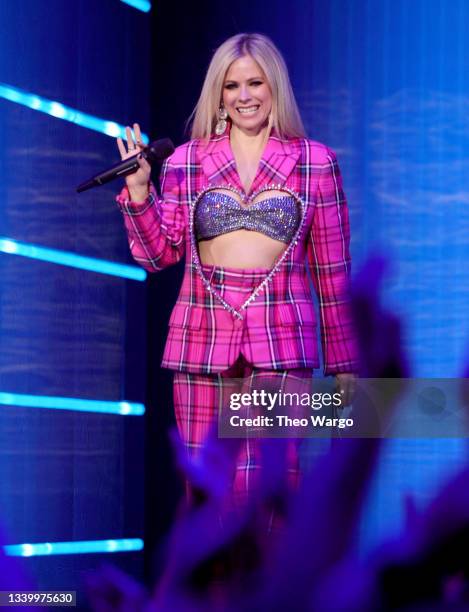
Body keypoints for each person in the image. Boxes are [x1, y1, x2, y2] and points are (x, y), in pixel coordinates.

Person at [115, 33, 357, 511]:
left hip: (281, 346)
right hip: (199, 344)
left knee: (267, 489)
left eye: (255, 82)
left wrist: (345, 365)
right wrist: (139, 192)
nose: (244, 96)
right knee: (209, 495)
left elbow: (333, 274)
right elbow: (158, 254)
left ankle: (270, 586)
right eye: (231, 86)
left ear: (275, 87)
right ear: (219, 95)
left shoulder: (315, 163)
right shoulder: (187, 160)